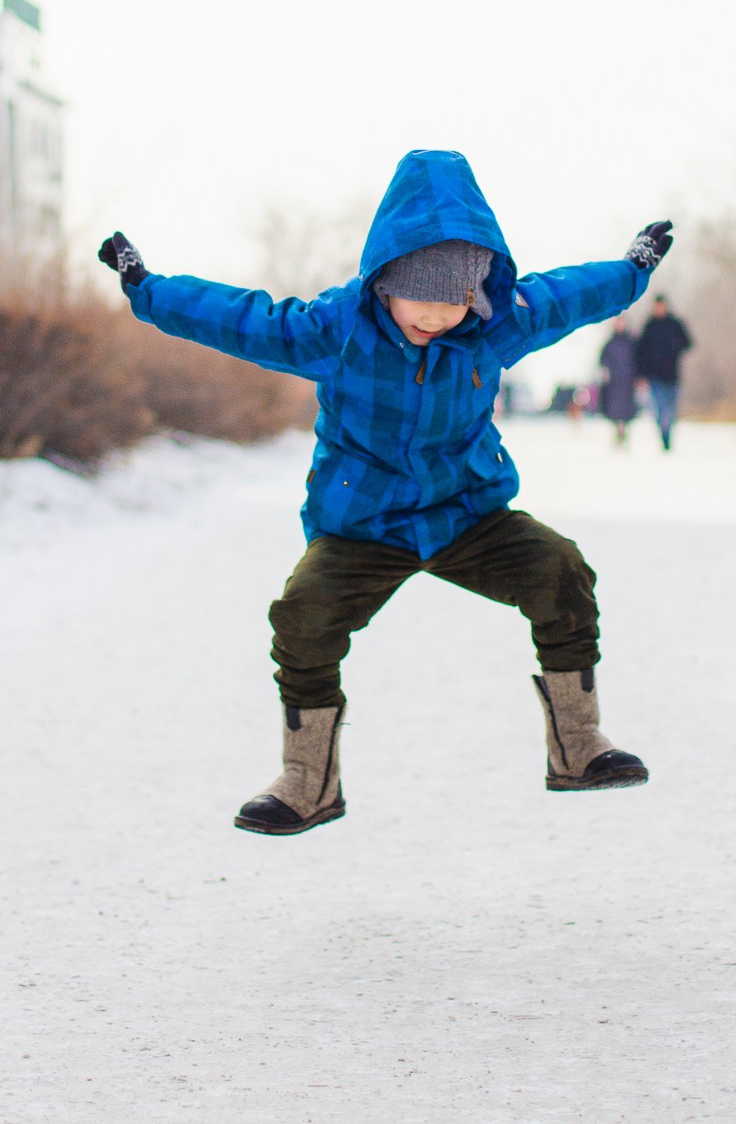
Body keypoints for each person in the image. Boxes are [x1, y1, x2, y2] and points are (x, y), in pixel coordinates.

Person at [98, 150, 673, 837]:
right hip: (362, 523)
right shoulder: (332, 330)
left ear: (476, 294)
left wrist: (633, 268)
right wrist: (146, 286)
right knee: (303, 616)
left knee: (560, 570)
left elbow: (572, 294)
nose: (435, 322)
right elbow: (236, 317)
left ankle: (578, 744)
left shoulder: (497, 322)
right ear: (383, 284)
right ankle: (308, 781)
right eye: (419, 307)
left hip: (465, 511)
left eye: (453, 307)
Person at [635, 294, 692, 450]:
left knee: (671, 409)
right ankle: (663, 435)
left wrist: (675, 348)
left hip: (672, 374)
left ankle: (668, 434)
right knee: (660, 408)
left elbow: (688, 343)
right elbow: (641, 353)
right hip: (654, 376)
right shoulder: (649, 326)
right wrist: (641, 376)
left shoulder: (674, 324)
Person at [599, 315, 637, 445]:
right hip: (614, 382)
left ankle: (624, 432)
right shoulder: (610, 343)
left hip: (628, 381)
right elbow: (603, 360)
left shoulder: (631, 342)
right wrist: (606, 371)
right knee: (615, 410)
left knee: (627, 410)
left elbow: (638, 360)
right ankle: (617, 432)